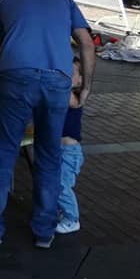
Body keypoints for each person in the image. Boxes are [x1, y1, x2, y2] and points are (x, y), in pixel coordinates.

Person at [0, 0, 95, 250]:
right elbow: (87, 43)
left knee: (4, 154)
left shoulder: (3, 4)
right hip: (58, 81)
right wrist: (86, 87)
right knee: (49, 156)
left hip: (18, 81)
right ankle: (44, 231)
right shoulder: (64, 0)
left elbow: (7, 47)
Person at [56, 56, 86, 235]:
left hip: (69, 152)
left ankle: (72, 218)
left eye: (70, 73)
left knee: (62, 186)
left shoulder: (75, 98)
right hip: (60, 149)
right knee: (59, 184)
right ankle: (62, 212)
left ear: (81, 79)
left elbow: (68, 98)